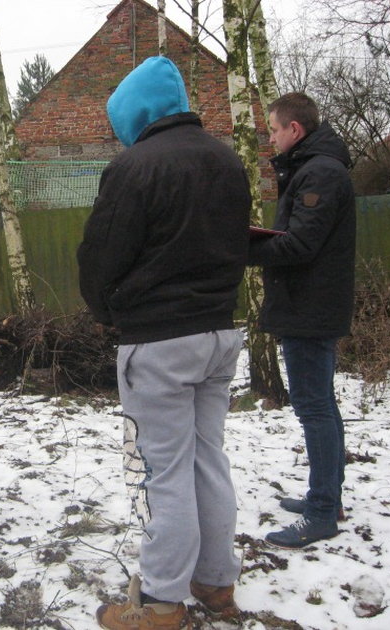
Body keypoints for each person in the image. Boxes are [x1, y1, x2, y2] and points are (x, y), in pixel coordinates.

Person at [77, 56, 251, 630]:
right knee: (207, 461)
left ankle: (158, 602)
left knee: (162, 471)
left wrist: (109, 313)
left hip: (159, 343)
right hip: (220, 335)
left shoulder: (133, 168)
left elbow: (101, 259)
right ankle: (215, 581)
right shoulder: (228, 159)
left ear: (134, 114)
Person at [249, 92, 355, 549]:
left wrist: (243, 247)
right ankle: (327, 498)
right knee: (322, 405)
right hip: (309, 305)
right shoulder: (315, 169)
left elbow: (300, 245)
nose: (270, 138)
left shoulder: (321, 173)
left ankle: (321, 513)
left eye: (273, 129)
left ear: (295, 130)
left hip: (310, 309)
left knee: (314, 408)